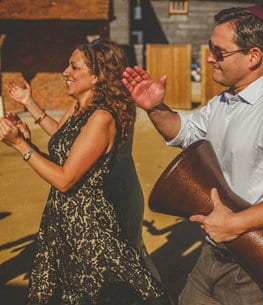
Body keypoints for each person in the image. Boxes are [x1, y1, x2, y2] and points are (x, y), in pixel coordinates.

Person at [121, 6, 263, 305]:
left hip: (261, 268)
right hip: (211, 259)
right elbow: (184, 131)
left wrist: (237, 224)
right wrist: (154, 108)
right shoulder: (224, 102)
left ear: (253, 56)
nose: (210, 57)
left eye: (219, 51)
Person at [0, 39, 166, 305]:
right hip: (63, 217)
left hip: (91, 222)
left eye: (74, 67)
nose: (65, 72)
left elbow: (65, 179)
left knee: (105, 288)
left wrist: (19, 146)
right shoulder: (80, 107)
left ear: (97, 76)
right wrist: (26, 132)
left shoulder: (101, 117)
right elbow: (64, 141)